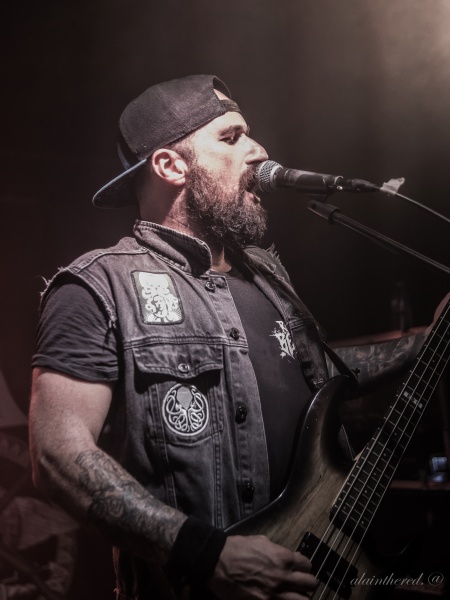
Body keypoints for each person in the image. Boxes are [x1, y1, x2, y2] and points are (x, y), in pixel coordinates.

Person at [28, 74, 438, 600]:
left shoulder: (268, 274)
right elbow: (56, 456)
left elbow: (326, 370)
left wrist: (430, 340)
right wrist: (206, 556)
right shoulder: (97, 286)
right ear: (170, 166)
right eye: (231, 137)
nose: (259, 150)